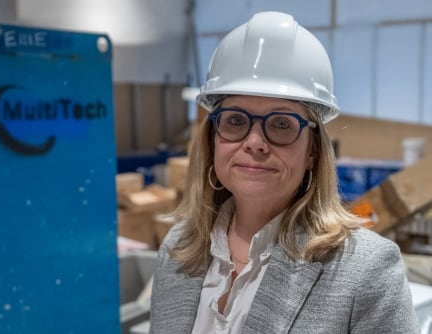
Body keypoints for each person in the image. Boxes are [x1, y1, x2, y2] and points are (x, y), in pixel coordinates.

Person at [150, 11, 418, 333]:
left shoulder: (367, 271)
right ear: (212, 141)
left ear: (313, 152)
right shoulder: (179, 248)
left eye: (281, 124)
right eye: (235, 121)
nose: (254, 142)